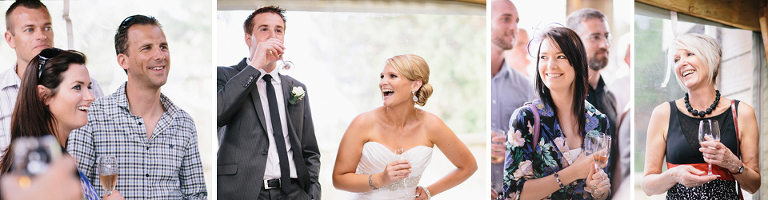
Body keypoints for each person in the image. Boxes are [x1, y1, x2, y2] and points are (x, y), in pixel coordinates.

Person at [68, 15, 207, 199]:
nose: (160, 55)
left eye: (163, 47)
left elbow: (197, 195)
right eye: (147, 48)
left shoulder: (184, 123)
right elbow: (70, 190)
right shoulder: (93, 115)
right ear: (123, 61)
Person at [332, 54, 477, 200]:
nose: (383, 82)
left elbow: (468, 166)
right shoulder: (362, 123)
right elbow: (339, 179)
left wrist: (429, 191)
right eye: (382, 76)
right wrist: (380, 179)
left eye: (392, 76)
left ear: (415, 84)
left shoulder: (431, 125)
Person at [217, 6, 321, 199]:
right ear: (248, 38)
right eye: (264, 29)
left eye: (278, 30)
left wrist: (312, 193)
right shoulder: (224, 75)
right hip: (243, 192)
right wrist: (256, 65)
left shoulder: (297, 88)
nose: (273, 36)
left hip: (294, 192)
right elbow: (218, 114)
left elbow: (310, 150)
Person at [641, 33, 760, 199]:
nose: (682, 62)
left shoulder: (742, 112)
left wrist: (733, 163)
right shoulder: (662, 113)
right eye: (676, 59)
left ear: (714, 59)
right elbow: (648, 187)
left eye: (690, 54)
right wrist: (674, 175)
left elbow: (753, 186)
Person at [502, 26, 610, 200]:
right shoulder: (525, 118)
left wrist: (600, 189)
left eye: (560, 56)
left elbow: (601, 190)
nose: (550, 65)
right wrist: (573, 172)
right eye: (543, 57)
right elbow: (512, 193)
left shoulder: (599, 121)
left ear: (578, 62)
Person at [0, 48, 122, 199]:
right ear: (43, 95)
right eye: (77, 87)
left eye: (89, 86)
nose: (91, 96)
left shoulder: (54, 157)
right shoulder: (39, 166)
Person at [0, 0, 104, 160]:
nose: (42, 36)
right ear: (9, 39)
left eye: (47, 28)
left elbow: (102, 148)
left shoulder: (92, 86)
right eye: (29, 29)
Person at [565, 9, 619, 192]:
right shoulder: (562, 98)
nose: (604, 44)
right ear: (573, 42)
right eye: (595, 37)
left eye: (606, 36)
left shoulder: (610, 98)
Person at [489, 1, 535, 198]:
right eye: (506, 19)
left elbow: (537, 146)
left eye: (516, 21)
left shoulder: (526, 87)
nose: (514, 27)